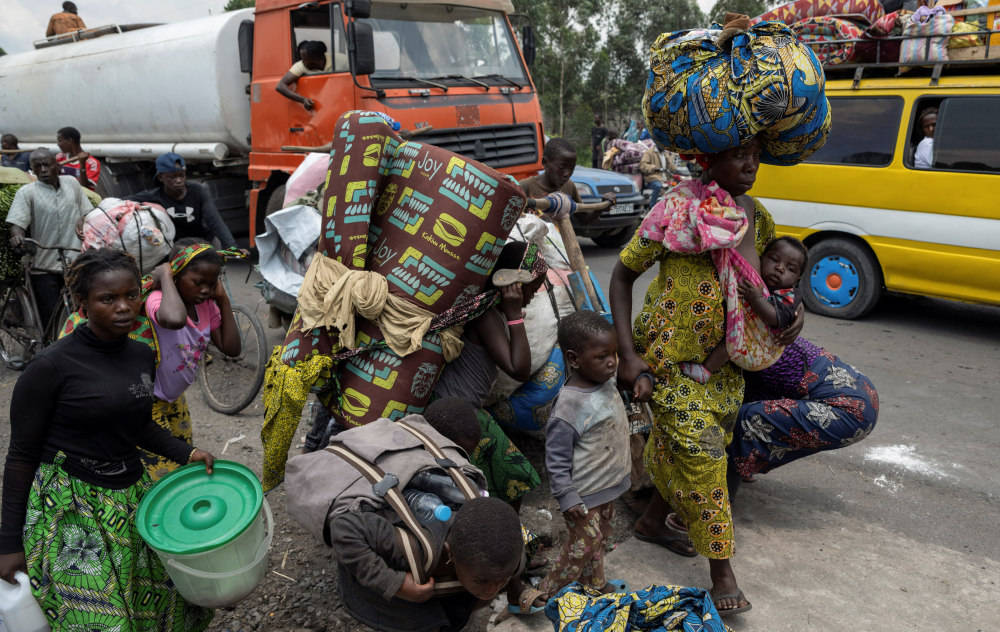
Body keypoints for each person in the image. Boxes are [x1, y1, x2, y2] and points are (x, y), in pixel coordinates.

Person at [610, 138, 802, 616]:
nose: (752, 166)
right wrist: (628, 355)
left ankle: (653, 523)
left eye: (757, 158)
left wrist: (794, 315)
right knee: (705, 455)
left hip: (724, 366)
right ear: (708, 158)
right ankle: (722, 571)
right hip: (668, 362)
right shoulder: (675, 208)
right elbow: (621, 275)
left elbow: (774, 278)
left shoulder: (754, 215)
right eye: (740, 156)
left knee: (683, 449)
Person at [0, 248, 215, 631]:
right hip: (70, 508)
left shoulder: (140, 354)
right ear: (81, 304)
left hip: (131, 497)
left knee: (163, 609)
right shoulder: (49, 368)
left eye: (131, 295)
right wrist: (8, 543)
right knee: (98, 621)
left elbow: (138, 427)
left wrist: (188, 453)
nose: (123, 307)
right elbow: (20, 457)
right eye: (107, 299)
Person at [516, 310, 632, 613]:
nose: (612, 362)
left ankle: (595, 584)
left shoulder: (606, 378)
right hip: (582, 497)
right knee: (577, 551)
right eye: (602, 356)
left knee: (598, 540)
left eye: (614, 354)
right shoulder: (569, 406)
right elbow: (556, 459)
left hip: (606, 488)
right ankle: (543, 592)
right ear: (574, 358)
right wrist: (567, 497)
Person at [431, 240, 545, 509]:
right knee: (514, 478)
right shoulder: (486, 317)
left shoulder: (485, 310)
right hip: (461, 412)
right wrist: (515, 314)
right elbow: (519, 369)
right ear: (512, 284)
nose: (534, 294)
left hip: (460, 406)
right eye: (532, 288)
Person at [330, 496, 524, 632]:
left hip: (450, 574)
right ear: (451, 554)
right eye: (483, 581)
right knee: (422, 624)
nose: (492, 589)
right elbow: (343, 528)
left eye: (501, 580)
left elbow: (519, 553)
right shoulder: (406, 546)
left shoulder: (509, 552)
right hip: (386, 578)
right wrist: (393, 583)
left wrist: (518, 590)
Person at [142, 239, 241, 479]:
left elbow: (231, 347)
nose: (206, 290)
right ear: (175, 275)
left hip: (175, 398)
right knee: (161, 471)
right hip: (148, 400)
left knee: (184, 457)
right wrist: (165, 276)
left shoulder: (207, 306)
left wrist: (223, 300)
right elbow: (174, 319)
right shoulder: (158, 299)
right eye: (198, 283)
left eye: (211, 283)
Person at [679, 236, 808, 385]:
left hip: (763, 348)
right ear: (761, 258)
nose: (780, 268)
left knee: (734, 340)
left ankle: (706, 370)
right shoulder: (757, 279)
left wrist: (756, 299)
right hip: (748, 337)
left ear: (797, 279)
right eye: (774, 259)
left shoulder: (789, 295)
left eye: (790, 268)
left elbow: (774, 317)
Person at [6, 148, 92, 333]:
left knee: (83, 312)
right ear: (32, 170)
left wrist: (83, 220)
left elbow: (87, 211)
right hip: (43, 266)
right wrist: (17, 237)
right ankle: (49, 350)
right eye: (38, 166)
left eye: (47, 165)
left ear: (57, 165)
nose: (43, 170)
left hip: (74, 261)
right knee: (50, 318)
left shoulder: (72, 184)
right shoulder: (27, 192)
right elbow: (17, 223)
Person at [127, 152, 238, 248]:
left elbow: (215, 221)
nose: (179, 180)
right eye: (172, 177)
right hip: (176, 246)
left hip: (203, 241)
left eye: (182, 176)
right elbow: (123, 201)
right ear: (161, 177)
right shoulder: (154, 196)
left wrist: (231, 246)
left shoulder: (198, 191)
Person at [520, 138, 611, 222]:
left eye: (571, 168)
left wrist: (601, 208)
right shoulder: (525, 187)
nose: (567, 174)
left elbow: (584, 219)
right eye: (561, 167)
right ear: (544, 162)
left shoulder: (569, 186)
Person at [276, 40, 331, 111]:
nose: (303, 62)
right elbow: (280, 86)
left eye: (305, 58)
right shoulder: (300, 66)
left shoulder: (340, 59)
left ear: (318, 57)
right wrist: (303, 99)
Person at [55, 126, 101, 191]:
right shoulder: (59, 158)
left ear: (70, 141)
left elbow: (84, 187)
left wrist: (82, 164)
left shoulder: (92, 163)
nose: (58, 144)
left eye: (60, 141)